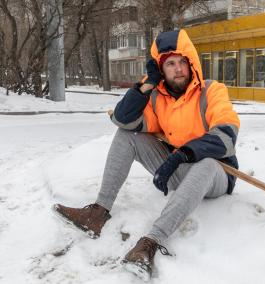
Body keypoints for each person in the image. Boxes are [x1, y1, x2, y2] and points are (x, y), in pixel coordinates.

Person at [53, 29, 240, 279]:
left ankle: (150, 243)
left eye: (182, 62)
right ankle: (97, 213)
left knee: (205, 164)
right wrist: (145, 86)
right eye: (170, 64)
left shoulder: (212, 91)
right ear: (161, 70)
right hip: (178, 169)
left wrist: (182, 154)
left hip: (216, 172)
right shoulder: (157, 96)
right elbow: (123, 120)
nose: (178, 69)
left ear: (191, 63)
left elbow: (226, 135)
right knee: (127, 136)